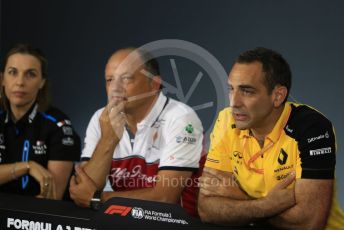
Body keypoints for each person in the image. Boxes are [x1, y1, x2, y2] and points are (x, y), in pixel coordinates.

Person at [198, 47, 344, 229]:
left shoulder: (312, 127)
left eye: (247, 91)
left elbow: (309, 223)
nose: (234, 102)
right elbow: (207, 209)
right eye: (231, 89)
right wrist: (269, 204)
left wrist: (239, 198)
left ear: (278, 96)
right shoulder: (226, 120)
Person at [69, 48, 204, 216]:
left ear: (153, 84)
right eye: (109, 80)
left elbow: (165, 198)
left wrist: (99, 198)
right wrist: (107, 141)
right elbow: (83, 191)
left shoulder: (180, 118)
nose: (115, 89)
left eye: (126, 79)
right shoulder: (101, 118)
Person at [0, 43, 81, 200]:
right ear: (2, 79)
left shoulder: (59, 124)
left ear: (42, 82)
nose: (20, 82)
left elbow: (52, 197)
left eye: (30, 74)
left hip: (38, 219)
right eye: (13, 72)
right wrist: (27, 167)